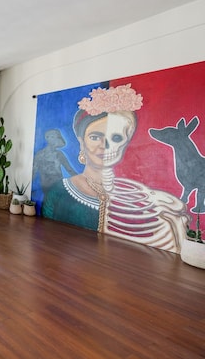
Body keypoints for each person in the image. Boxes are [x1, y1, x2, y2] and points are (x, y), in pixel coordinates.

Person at [42, 84, 188, 252]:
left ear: (126, 144)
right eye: (96, 136)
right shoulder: (58, 191)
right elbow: (46, 241)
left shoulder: (148, 202)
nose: (106, 146)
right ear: (82, 142)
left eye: (117, 137)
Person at [32, 129, 76, 197]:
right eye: (52, 137)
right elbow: (34, 171)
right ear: (47, 138)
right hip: (46, 185)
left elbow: (69, 169)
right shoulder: (40, 155)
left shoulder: (59, 154)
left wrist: (81, 180)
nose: (54, 140)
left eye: (56, 137)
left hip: (58, 184)